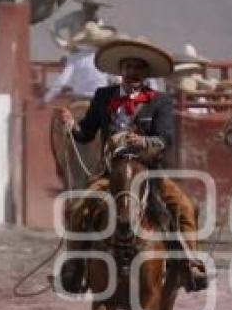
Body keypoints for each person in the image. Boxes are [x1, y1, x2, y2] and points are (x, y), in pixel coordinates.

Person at [54, 38, 208, 294]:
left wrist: (144, 141)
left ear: (145, 73)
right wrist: (72, 125)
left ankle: (191, 263)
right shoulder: (103, 96)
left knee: (185, 206)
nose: (133, 72)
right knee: (77, 207)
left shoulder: (159, 101)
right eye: (128, 67)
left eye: (138, 68)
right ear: (121, 71)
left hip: (148, 173)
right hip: (110, 173)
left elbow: (166, 138)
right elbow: (87, 133)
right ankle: (75, 267)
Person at [44, 23, 115, 103]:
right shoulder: (104, 56)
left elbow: (62, 80)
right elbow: (116, 79)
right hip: (100, 99)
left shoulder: (75, 57)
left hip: (79, 99)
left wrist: (47, 98)